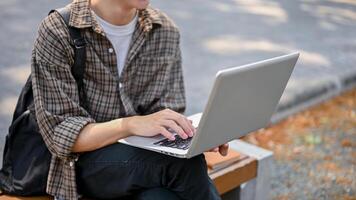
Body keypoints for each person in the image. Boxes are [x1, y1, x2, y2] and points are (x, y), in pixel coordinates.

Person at [31, 0, 229, 199]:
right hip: (80, 165)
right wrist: (131, 125)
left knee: (159, 197)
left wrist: (192, 135)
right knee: (185, 165)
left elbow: (168, 111)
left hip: (145, 161)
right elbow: (61, 136)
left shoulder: (164, 30)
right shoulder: (58, 30)